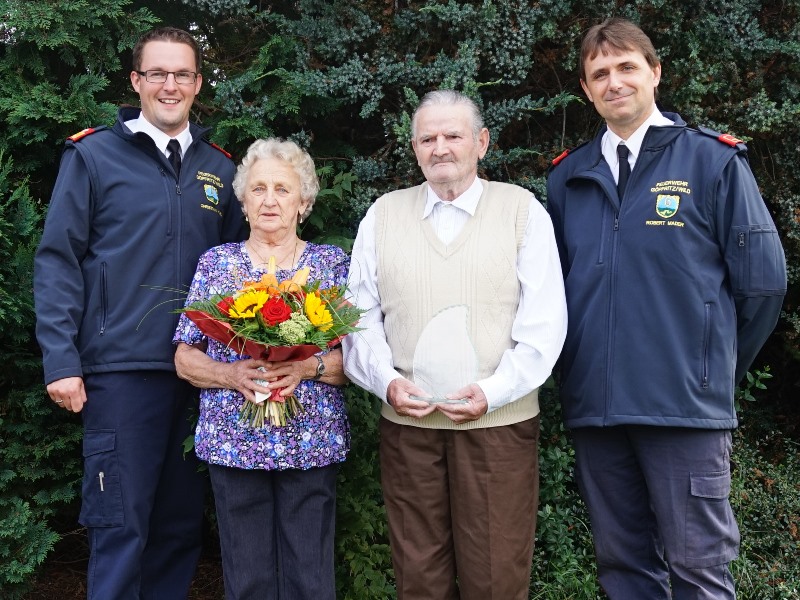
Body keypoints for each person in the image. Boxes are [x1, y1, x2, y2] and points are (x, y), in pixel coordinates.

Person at [546, 17, 787, 600]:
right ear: (586, 89)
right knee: (624, 572)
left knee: (698, 571)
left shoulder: (712, 162)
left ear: (655, 72)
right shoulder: (568, 177)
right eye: (600, 73)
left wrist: (709, 368)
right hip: (598, 410)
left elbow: (762, 286)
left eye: (627, 67)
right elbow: (551, 295)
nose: (615, 82)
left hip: (682, 409)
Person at [33, 26, 245, 599]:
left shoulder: (221, 169)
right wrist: (61, 361)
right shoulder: (93, 155)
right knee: (120, 526)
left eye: (182, 74)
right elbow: (58, 260)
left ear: (198, 84)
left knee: (179, 528)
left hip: (198, 375)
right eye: (157, 73)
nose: (169, 85)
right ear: (136, 81)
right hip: (121, 373)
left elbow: (237, 269)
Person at [343, 89, 568, 599]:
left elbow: (545, 323)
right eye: (428, 139)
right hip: (408, 427)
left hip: (498, 428)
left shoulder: (521, 211)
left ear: (481, 143)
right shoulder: (383, 215)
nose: (440, 148)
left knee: (496, 578)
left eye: (453, 135)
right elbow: (358, 320)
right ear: (415, 148)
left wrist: (494, 392)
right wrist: (386, 383)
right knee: (418, 577)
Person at [173, 137, 350, 600]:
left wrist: (305, 368)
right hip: (235, 442)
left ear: (303, 203)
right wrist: (230, 374)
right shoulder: (218, 265)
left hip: (311, 441)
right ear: (244, 202)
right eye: (258, 189)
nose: (270, 200)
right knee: (247, 578)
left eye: (282, 189)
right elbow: (185, 357)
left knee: (310, 579)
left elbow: (356, 361)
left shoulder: (331, 265)